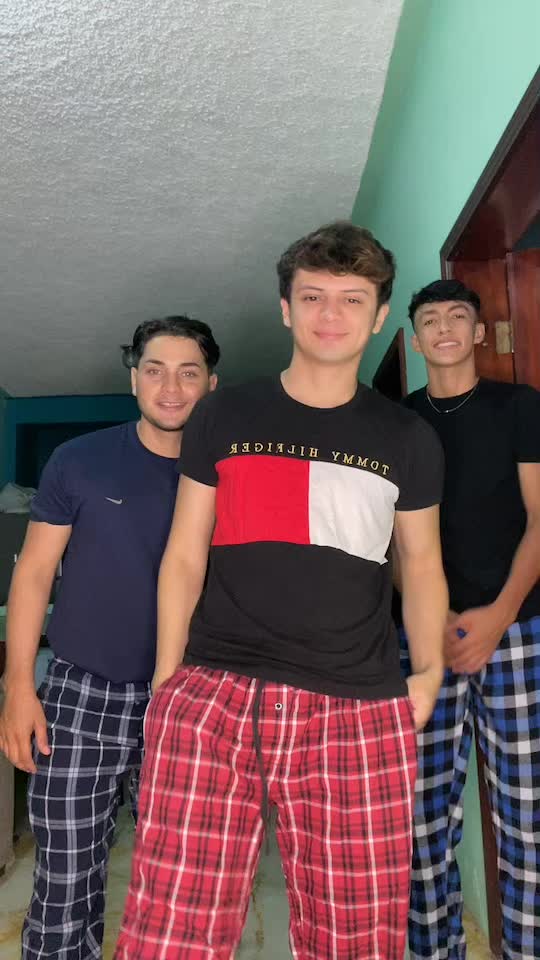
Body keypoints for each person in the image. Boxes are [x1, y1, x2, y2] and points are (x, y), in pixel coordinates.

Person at [114, 221, 447, 960]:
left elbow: (421, 563)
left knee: (356, 937)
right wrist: (169, 682)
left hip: (356, 706)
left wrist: (427, 673)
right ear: (286, 309)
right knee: (171, 930)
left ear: (378, 316)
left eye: (352, 299)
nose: (331, 313)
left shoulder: (408, 437)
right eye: (313, 296)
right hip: (215, 692)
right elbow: (184, 553)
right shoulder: (223, 413)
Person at [0, 315, 220, 960]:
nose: (171, 388)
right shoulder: (79, 459)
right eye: (155, 370)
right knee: (64, 882)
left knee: (181, 884)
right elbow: (33, 573)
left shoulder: (232, 472)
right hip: (80, 694)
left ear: (211, 383)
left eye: (188, 372)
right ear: (134, 379)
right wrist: (19, 686)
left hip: (190, 696)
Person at [401, 278, 540, 960]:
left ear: (479, 332)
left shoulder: (519, 406)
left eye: (458, 316)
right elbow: (389, 539)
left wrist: (497, 615)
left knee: (527, 817)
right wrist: (437, 618)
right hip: (422, 637)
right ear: (415, 340)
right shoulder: (394, 422)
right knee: (420, 821)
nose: (446, 328)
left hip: (517, 632)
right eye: (431, 319)